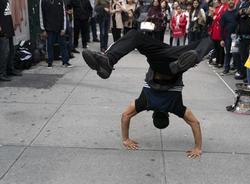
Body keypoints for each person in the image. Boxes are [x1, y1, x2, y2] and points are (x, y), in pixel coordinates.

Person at [82, 29, 213, 157]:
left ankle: (109, 60)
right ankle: (108, 60)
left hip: (169, 57)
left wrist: (198, 148)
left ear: (167, 116)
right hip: (163, 60)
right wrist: (125, 139)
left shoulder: (176, 107)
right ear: (153, 115)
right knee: (136, 35)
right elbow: (125, 116)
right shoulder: (145, 102)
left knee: (208, 42)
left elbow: (195, 123)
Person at [40, 0, 72, 68]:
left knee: (63, 45)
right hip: (49, 28)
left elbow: (63, 15)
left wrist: (63, 28)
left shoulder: (60, 1)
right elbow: (41, 15)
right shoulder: (43, 1)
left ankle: (65, 62)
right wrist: (43, 29)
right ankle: (50, 62)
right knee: (49, 45)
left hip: (60, 28)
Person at [0, 0, 21, 81]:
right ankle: (2, 73)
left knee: (11, 50)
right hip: (3, 30)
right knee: (4, 52)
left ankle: (10, 69)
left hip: (9, 28)